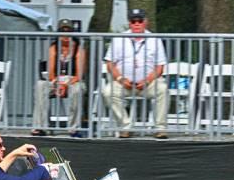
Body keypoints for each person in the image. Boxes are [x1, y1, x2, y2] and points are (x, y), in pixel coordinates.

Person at [102, 8, 169, 139]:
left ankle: (160, 128)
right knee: (108, 92)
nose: (137, 24)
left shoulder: (155, 39)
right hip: (124, 83)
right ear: (129, 23)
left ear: (146, 22)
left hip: (148, 83)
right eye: (133, 21)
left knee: (163, 89)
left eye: (140, 21)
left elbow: (160, 67)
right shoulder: (119, 39)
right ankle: (125, 126)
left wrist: (147, 80)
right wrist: (121, 79)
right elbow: (110, 63)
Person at [32, 19, 87, 137]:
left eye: (69, 31)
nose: (66, 35)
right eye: (63, 31)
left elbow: (79, 75)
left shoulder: (79, 49)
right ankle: (41, 126)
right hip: (56, 80)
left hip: (72, 80)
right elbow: (51, 72)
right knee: (40, 85)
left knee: (77, 89)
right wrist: (57, 84)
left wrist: (65, 85)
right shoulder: (53, 48)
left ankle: (74, 128)